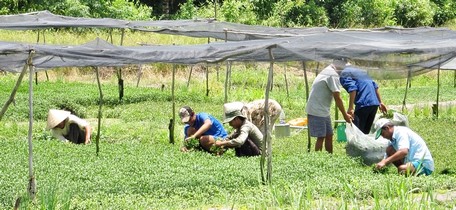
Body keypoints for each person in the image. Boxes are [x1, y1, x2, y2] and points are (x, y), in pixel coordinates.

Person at [305, 59, 352, 153]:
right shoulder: (332, 74)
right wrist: (345, 115)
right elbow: (337, 98)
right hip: (317, 110)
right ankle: (318, 159)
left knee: (329, 135)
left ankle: (329, 158)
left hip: (323, 110)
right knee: (321, 137)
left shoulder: (328, 71)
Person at [340, 63, 387, 134]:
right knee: (365, 133)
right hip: (374, 103)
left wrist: (350, 108)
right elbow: (375, 86)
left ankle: (357, 145)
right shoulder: (360, 71)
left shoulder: (344, 73)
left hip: (363, 103)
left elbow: (352, 89)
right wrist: (380, 102)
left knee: (357, 132)